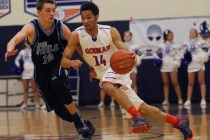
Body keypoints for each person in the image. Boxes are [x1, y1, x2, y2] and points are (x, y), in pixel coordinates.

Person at [61, 2, 193, 139]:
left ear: (97, 17)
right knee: (144, 108)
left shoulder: (109, 31)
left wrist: (130, 54)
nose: (85, 21)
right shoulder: (77, 35)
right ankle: (179, 122)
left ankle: (137, 118)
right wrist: (72, 62)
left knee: (106, 85)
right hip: (104, 74)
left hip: (117, 68)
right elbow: (63, 59)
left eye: (89, 17)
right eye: (83, 18)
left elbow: (123, 49)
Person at [5, 0, 95, 138]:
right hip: (42, 73)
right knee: (59, 110)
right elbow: (16, 37)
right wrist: (10, 49)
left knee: (57, 81)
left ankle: (78, 123)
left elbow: (77, 46)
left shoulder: (60, 27)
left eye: (53, 10)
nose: (52, 13)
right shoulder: (32, 28)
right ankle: (81, 122)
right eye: (48, 10)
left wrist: (91, 67)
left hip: (60, 64)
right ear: (39, 12)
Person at [183, 28, 209, 107]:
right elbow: (181, 51)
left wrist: (205, 55)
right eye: (190, 32)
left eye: (193, 32)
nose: (192, 34)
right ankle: (188, 100)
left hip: (199, 63)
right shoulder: (186, 42)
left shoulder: (200, 41)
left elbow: (208, 46)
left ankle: (203, 99)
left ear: (196, 33)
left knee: (201, 81)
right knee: (190, 83)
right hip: (191, 63)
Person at [158, 30, 183, 105]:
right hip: (164, 66)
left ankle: (180, 99)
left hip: (172, 65)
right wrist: (159, 59)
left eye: (172, 35)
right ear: (166, 36)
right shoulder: (162, 45)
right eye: (170, 35)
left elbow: (180, 54)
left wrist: (177, 61)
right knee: (165, 83)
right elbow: (156, 53)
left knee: (175, 82)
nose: (172, 37)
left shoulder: (176, 45)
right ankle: (166, 100)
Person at [14, 41, 40, 109]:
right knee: (25, 89)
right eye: (27, 43)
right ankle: (25, 104)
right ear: (25, 44)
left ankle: (37, 104)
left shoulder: (34, 50)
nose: (29, 44)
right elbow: (16, 60)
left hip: (32, 71)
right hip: (25, 72)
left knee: (34, 89)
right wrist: (18, 65)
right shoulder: (22, 51)